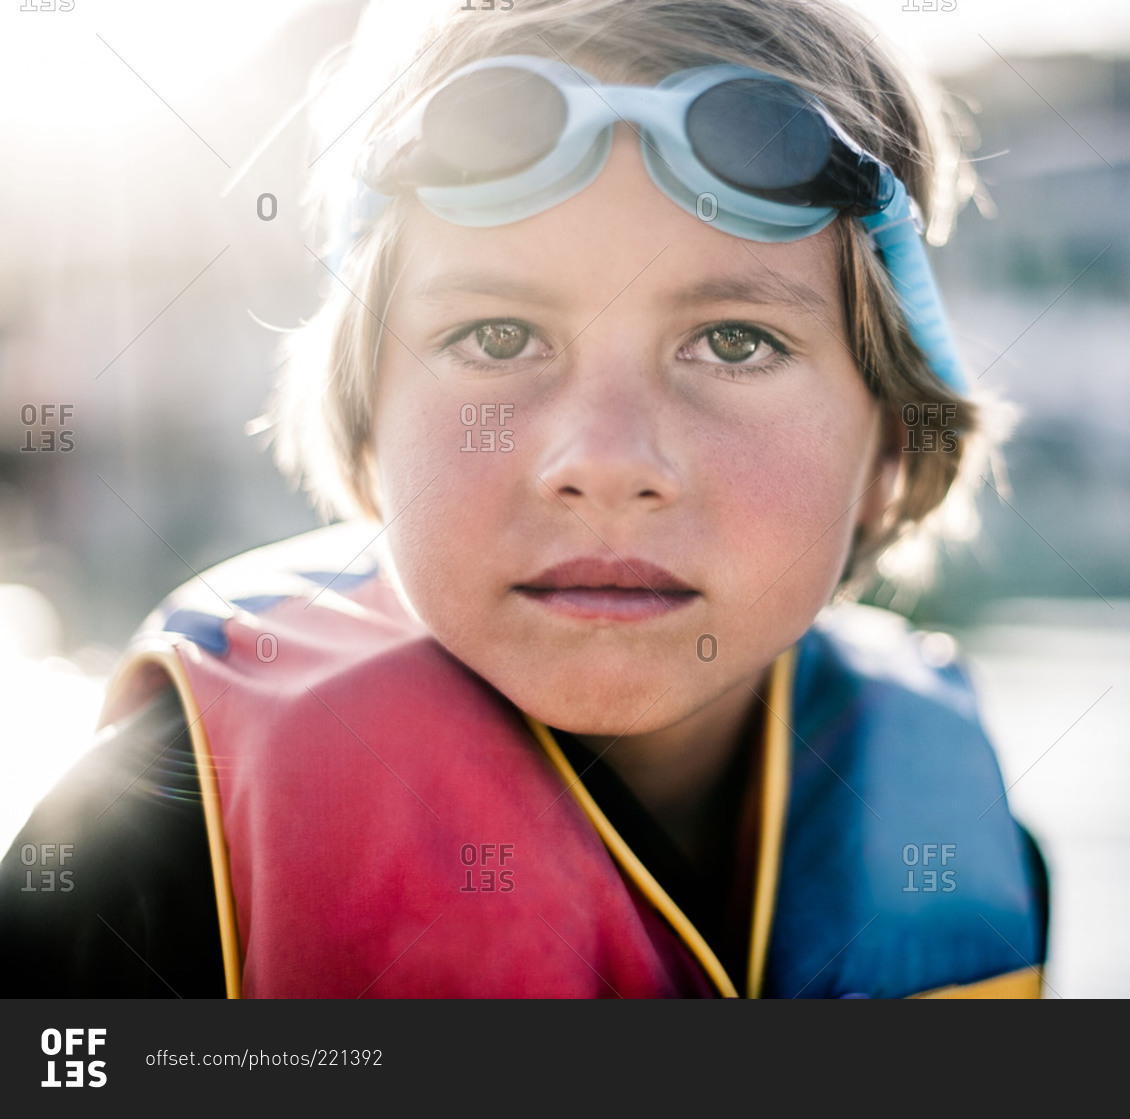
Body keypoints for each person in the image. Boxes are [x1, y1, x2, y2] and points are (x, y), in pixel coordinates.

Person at [0, 0, 1045, 998]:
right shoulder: (157, 844)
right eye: (498, 337)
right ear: (366, 423)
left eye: (735, 342)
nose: (605, 460)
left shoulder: (974, 858)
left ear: (893, 442)